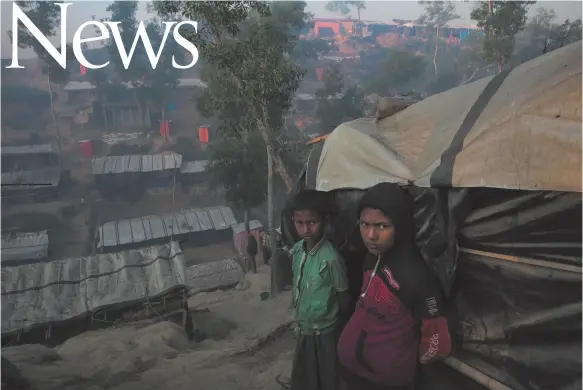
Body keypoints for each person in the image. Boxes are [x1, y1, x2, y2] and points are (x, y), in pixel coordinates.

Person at [337, 182, 451, 390]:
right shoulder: (370, 259)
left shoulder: (416, 275)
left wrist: (401, 366)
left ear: (400, 225)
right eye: (364, 224)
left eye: (382, 226)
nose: (371, 235)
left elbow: (436, 341)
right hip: (354, 377)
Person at [289, 189, 351, 390]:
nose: (306, 229)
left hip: (326, 330)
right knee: (306, 375)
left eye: (312, 223)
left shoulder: (331, 257)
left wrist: (341, 325)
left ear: (324, 221)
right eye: (300, 223)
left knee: (328, 375)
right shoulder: (297, 251)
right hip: (304, 327)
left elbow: (343, 295)